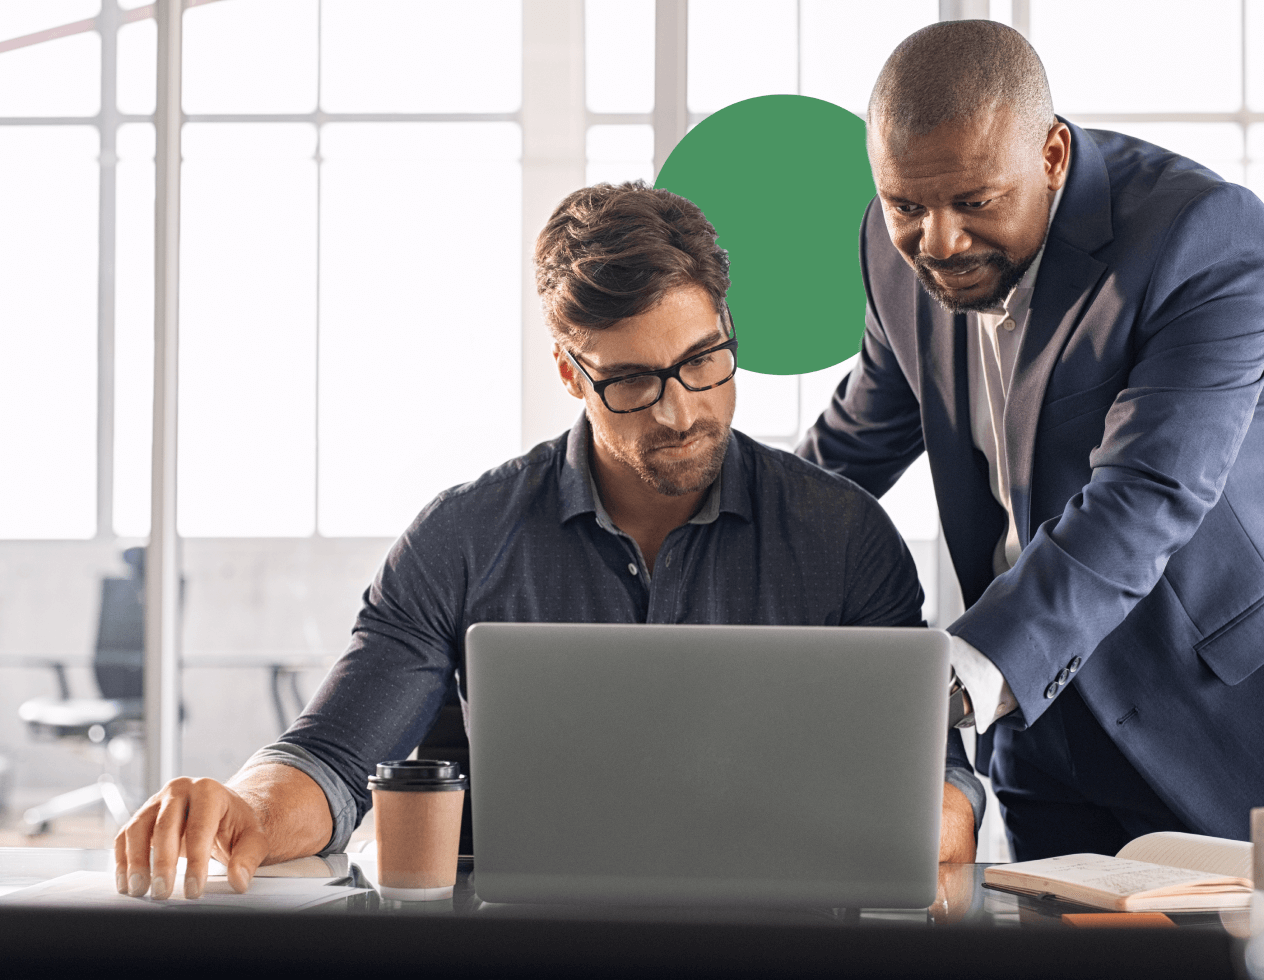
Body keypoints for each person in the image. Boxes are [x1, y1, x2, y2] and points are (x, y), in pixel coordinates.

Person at [115, 182, 982, 901]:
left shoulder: (844, 537)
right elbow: (335, 757)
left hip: (774, 945)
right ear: (571, 371)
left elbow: (944, 799)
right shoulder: (463, 537)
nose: (683, 410)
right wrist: (245, 810)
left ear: (727, 327)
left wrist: (929, 812)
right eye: (634, 381)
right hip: (522, 945)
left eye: (704, 361)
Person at [799, 20, 1264, 860]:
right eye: (908, 205)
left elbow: (1146, 497)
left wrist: (958, 674)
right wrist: (717, 543)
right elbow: (849, 452)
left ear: (1052, 157)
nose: (936, 242)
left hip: (1209, 712)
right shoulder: (887, 245)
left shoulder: (1206, 238)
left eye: (975, 202)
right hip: (1036, 730)